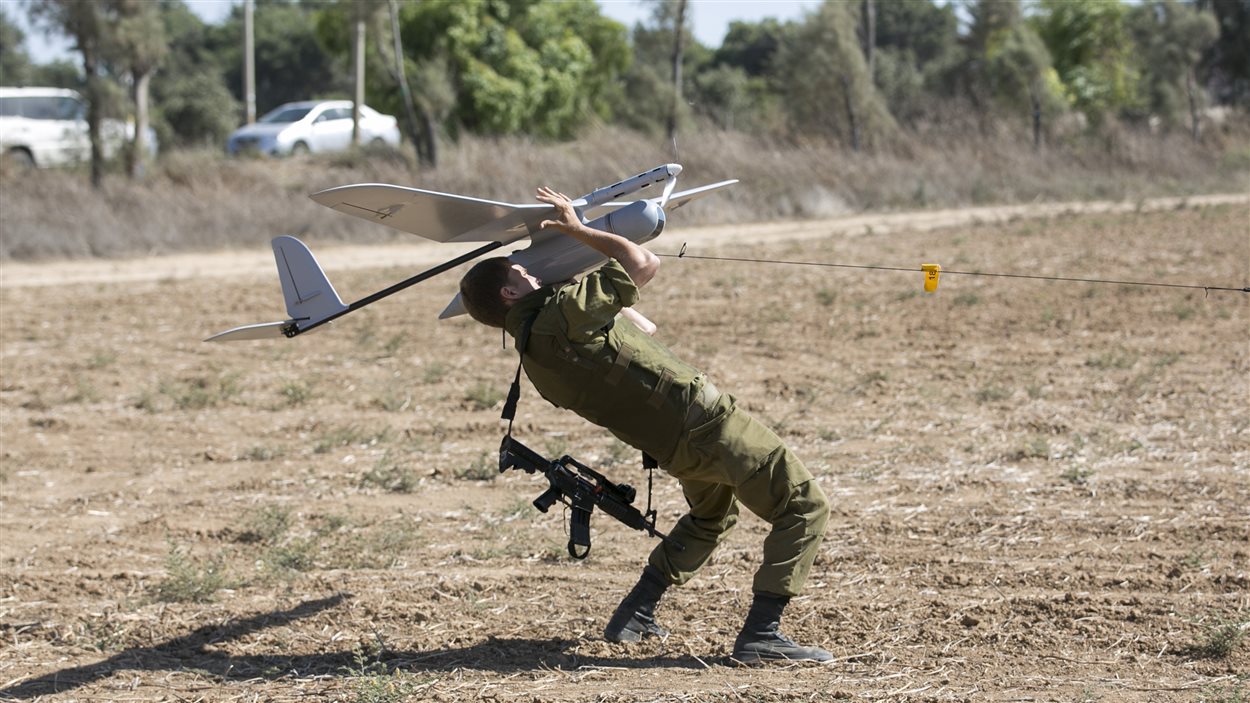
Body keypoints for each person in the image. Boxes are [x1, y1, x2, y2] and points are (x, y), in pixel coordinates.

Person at [458, 186, 832, 664]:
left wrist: (562, 278)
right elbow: (643, 263)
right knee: (803, 505)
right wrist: (578, 231)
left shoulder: (535, 358)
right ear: (510, 293)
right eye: (523, 273)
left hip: (675, 448)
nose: (535, 272)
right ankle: (762, 634)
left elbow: (641, 328)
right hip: (706, 423)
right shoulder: (563, 317)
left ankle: (636, 612)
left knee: (711, 517)